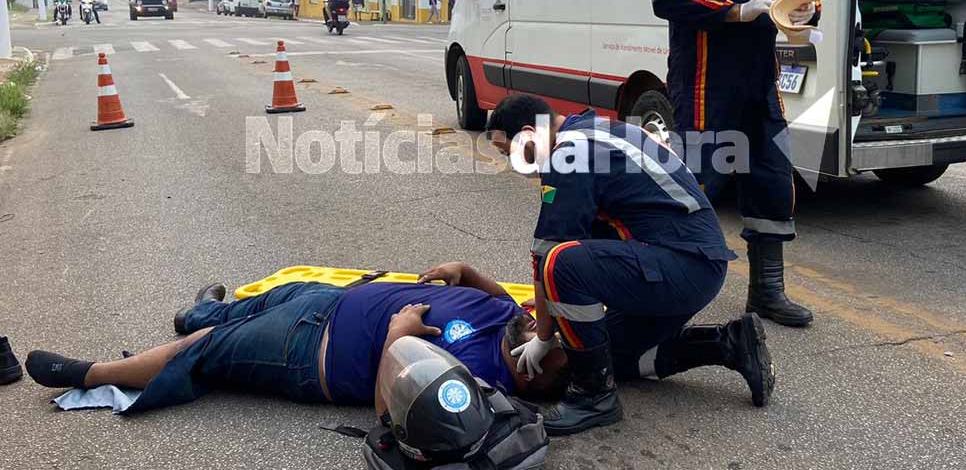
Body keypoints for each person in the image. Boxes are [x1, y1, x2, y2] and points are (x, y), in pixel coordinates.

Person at [486, 95, 775, 436]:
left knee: (559, 264)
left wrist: (545, 334)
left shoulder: (569, 153)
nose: (516, 163)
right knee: (604, 356)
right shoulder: (596, 130)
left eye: (510, 152)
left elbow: (547, 256)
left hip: (681, 266)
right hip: (690, 266)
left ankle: (594, 398)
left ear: (528, 133)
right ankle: (729, 343)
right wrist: (560, 308)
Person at [652, 0, 817, 328]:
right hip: (705, 81)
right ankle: (664, 292)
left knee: (771, 178)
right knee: (695, 183)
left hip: (759, 80)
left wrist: (807, 13)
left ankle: (766, 291)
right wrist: (737, 11)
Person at [23, 263, 570, 413]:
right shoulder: (509, 314)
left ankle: (90, 375)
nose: (541, 331)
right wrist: (465, 270)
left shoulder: (476, 383)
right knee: (252, 303)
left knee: (209, 349)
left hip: (311, 351)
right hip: (333, 299)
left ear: (535, 378)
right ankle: (201, 311)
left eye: (551, 352)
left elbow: (389, 416)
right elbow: (505, 290)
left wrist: (397, 340)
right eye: (550, 328)